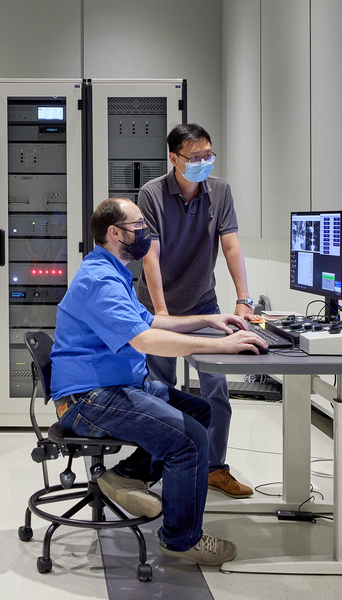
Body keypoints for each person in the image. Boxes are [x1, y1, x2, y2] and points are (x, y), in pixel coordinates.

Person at [49, 197, 267, 566]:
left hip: (114, 387)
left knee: (197, 411)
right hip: (88, 399)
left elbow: (149, 322)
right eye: (138, 226)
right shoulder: (100, 280)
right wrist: (225, 345)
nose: (146, 233)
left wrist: (209, 320)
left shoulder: (113, 269)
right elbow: (146, 341)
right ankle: (182, 540)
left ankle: (125, 476)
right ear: (114, 232)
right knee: (190, 441)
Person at [136, 123, 257, 499]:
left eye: (209, 156)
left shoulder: (219, 191)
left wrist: (243, 299)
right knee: (160, 389)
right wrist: (161, 314)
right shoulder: (152, 193)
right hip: (159, 307)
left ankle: (214, 468)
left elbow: (232, 247)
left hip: (205, 304)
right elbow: (150, 255)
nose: (204, 163)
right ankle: (157, 467)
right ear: (174, 158)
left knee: (216, 388)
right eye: (195, 158)